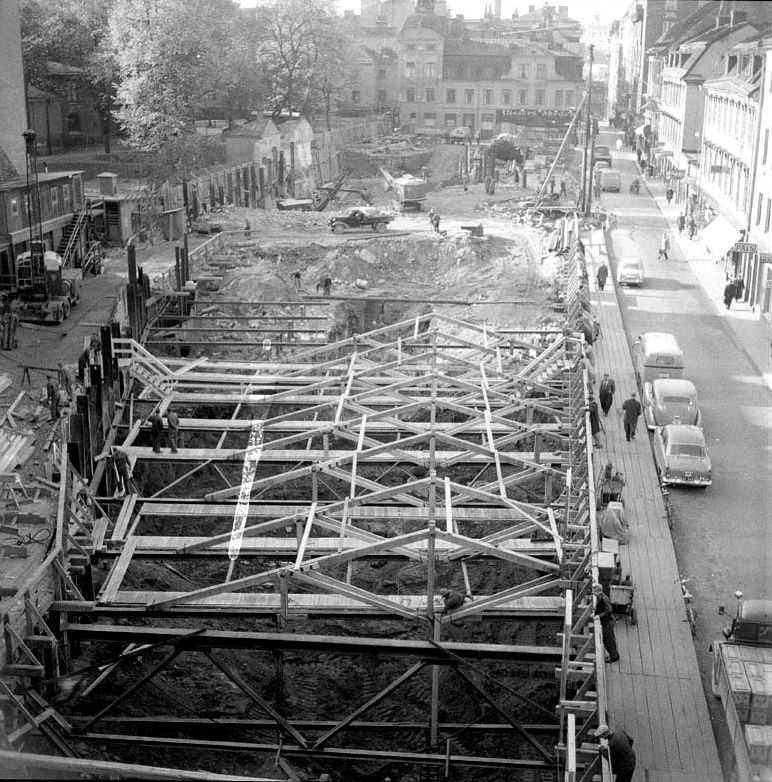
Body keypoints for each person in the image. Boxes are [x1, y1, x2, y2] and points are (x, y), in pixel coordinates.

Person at [592, 583, 619, 663]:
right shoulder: (600, 597)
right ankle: (613, 654)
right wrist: (595, 614)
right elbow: (600, 608)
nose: (592, 593)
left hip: (608, 622)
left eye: (593, 591)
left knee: (608, 640)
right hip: (606, 622)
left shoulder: (604, 598)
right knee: (608, 639)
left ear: (598, 591)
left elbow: (609, 610)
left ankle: (614, 657)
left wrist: (599, 616)